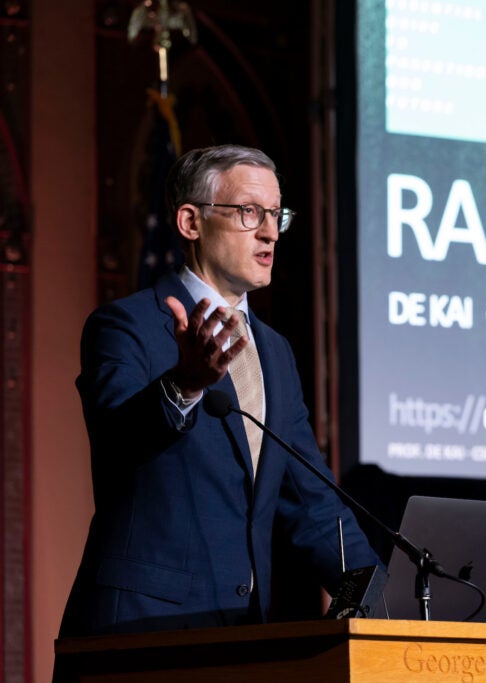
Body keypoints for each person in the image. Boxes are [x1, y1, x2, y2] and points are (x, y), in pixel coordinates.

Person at [59, 144, 380, 636]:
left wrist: (386, 603)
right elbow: (117, 441)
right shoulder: (126, 325)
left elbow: (314, 505)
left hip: (240, 635)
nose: (271, 231)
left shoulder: (274, 352)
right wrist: (183, 384)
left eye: (276, 214)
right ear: (191, 222)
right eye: (249, 212)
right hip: (141, 631)